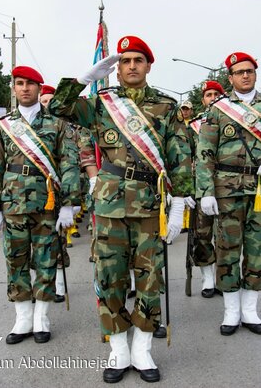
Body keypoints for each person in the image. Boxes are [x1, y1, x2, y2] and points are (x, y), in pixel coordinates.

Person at [49, 35, 193, 383]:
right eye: (125, 60)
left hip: (149, 206)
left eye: (138, 60)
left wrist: (179, 207)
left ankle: (142, 350)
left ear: (148, 65)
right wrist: (84, 79)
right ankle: (119, 350)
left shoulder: (166, 106)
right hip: (110, 205)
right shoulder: (101, 103)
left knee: (149, 280)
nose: (131, 66)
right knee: (109, 279)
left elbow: (180, 156)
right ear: (118, 67)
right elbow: (57, 107)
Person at [196, 51, 261, 337]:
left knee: (257, 250)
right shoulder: (218, 109)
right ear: (230, 78)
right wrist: (205, 191)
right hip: (226, 190)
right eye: (239, 72)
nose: (244, 75)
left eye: (249, 71)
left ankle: (250, 310)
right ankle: (231, 311)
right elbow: (204, 152)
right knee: (227, 250)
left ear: (255, 74)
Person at [0, 66, 81, 346]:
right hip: (12, 203)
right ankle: (22, 317)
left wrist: (69, 204)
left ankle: (41, 317)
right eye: (19, 83)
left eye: (30, 84)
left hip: (47, 204)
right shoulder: (3, 126)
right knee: (15, 261)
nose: (25, 88)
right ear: (13, 89)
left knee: (46, 260)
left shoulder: (57, 124)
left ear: (40, 89)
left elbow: (69, 164)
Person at [190, 81, 225, 298]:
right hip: (201, 187)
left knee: (225, 236)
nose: (212, 98)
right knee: (202, 235)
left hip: (226, 186)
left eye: (216, 94)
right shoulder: (193, 126)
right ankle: (207, 278)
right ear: (203, 100)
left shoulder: (233, 120)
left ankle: (224, 277)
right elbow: (183, 157)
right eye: (208, 95)